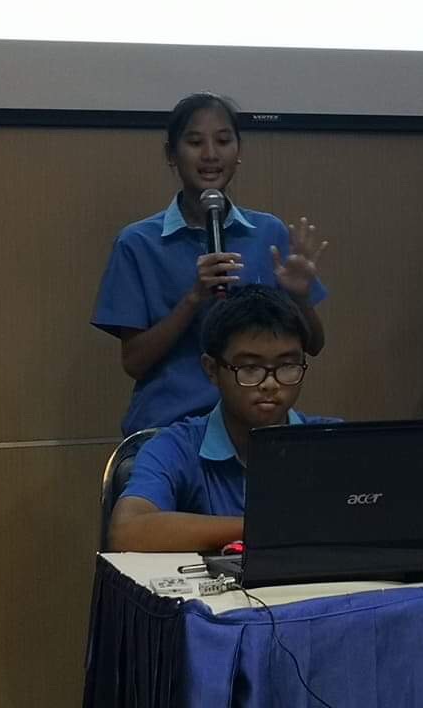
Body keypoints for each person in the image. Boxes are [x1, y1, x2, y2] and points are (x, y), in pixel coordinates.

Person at [92, 93, 327, 435]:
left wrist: (301, 298)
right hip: (170, 425)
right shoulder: (138, 243)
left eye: (223, 141)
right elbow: (135, 362)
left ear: (238, 151)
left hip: (258, 425)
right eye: (195, 142)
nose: (211, 154)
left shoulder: (269, 232)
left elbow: (314, 345)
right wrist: (193, 298)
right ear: (171, 154)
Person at [108, 285, 337, 553]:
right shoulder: (176, 446)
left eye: (287, 366)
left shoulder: (334, 442)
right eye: (250, 367)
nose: (270, 383)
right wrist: (268, 528)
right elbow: (127, 531)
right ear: (212, 370)